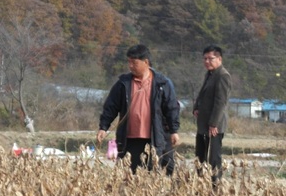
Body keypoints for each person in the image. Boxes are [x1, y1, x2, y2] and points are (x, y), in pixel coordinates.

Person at [97, 44, 181, 175]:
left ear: (146, 62)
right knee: (131, 173)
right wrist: (103, 127)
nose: (130, 66)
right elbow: (111, 106)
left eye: (134, 63)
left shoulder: (162, 83)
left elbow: (171, 108)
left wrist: (174, 130)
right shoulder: (123, 83)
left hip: (154, 137)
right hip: (130, 138)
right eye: (129, 62)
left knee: (153, 172)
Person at [193, 45, 232, 188]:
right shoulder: (209, 74)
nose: (207, 61)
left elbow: (220, 102)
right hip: (203, 123)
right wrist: (196, 107)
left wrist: (213, 123)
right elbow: (203, 94)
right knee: (200, 156)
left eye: (211, 58)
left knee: (214, 158)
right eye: (205, 59)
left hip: (215, 125)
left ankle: (215, 189)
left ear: (219, 59)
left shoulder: (223, 75)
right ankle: (200, 185)